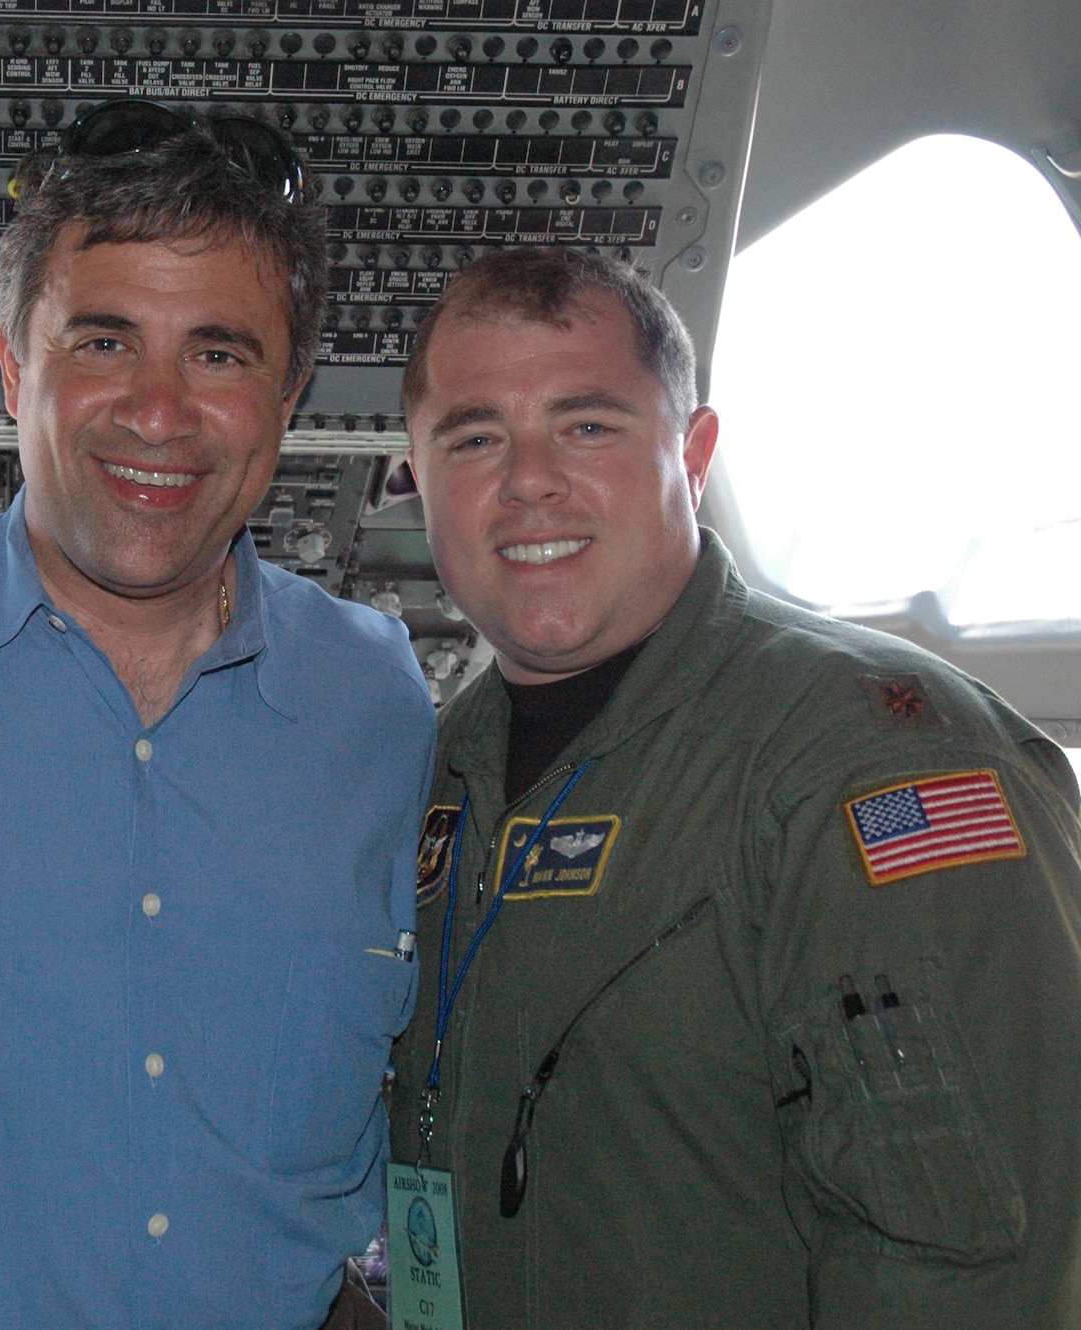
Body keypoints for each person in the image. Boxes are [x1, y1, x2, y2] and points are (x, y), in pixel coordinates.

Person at [0, 100, 432, 1330]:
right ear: (11, 365)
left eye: (219, 353)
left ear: (289, 393)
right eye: (101, 343)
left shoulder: (378, 705)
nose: (157, 411)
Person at [389, 244, 1081, 1325]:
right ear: (416, 474)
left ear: (692, 452)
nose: (528, 480)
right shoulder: (436, 766)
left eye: (587, 425)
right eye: (473, 437)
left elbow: (983, 1264)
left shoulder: (871, 757)